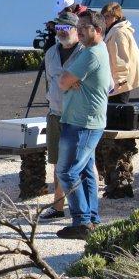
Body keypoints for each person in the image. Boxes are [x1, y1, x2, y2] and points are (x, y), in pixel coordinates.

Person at [56, 10, 111, 240]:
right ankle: (92, 219)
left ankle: (81, 221)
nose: (78, 29)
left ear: (97, 30)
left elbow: (62, 81)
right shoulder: (93, 50)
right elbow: (68, 79)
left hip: (82, 123)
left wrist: (71, 80)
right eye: (78, 26)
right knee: (86, 172)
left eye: (84, 26)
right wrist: (71, 80)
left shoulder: (91, 55)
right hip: (85, 121)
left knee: (67, 172)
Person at [39, 12, 83, 220]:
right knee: (57, 161)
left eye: (66, 28)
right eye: (59, 28)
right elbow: (51, 81)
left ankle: (82, 208)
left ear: (76, 29)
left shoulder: (85, 52)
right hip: (56, 113)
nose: (61, 32)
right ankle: (58, 206)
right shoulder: (50, 53)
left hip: (78, 116)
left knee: (80, 162)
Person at [101, 2, 139, 103]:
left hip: (120, 81)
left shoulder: (118, 32)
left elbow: (121, 59)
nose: (105, 19)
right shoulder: (114, 30)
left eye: (108, 16)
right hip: (119, 79)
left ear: (116, 17)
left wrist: (119, 82)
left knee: (117, 112)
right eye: (103, 16)